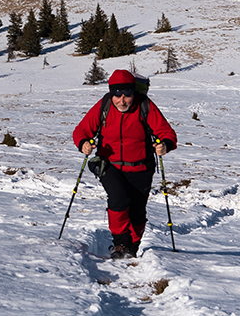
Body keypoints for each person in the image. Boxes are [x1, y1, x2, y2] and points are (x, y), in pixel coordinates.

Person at [72, 69, 177, 258]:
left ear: (133, 92)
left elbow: (167, 133)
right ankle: (120, 243)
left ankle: (133, 245)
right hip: (109, 165)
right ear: (111, 93)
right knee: (118, 199)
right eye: (117, 94)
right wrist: (83, 143)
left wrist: (165, 146)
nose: (122, 100)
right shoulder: (104, 105)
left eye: (127, 94)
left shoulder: (144, 105)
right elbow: (81, 130)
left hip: (141, 167)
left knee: (137, 211)